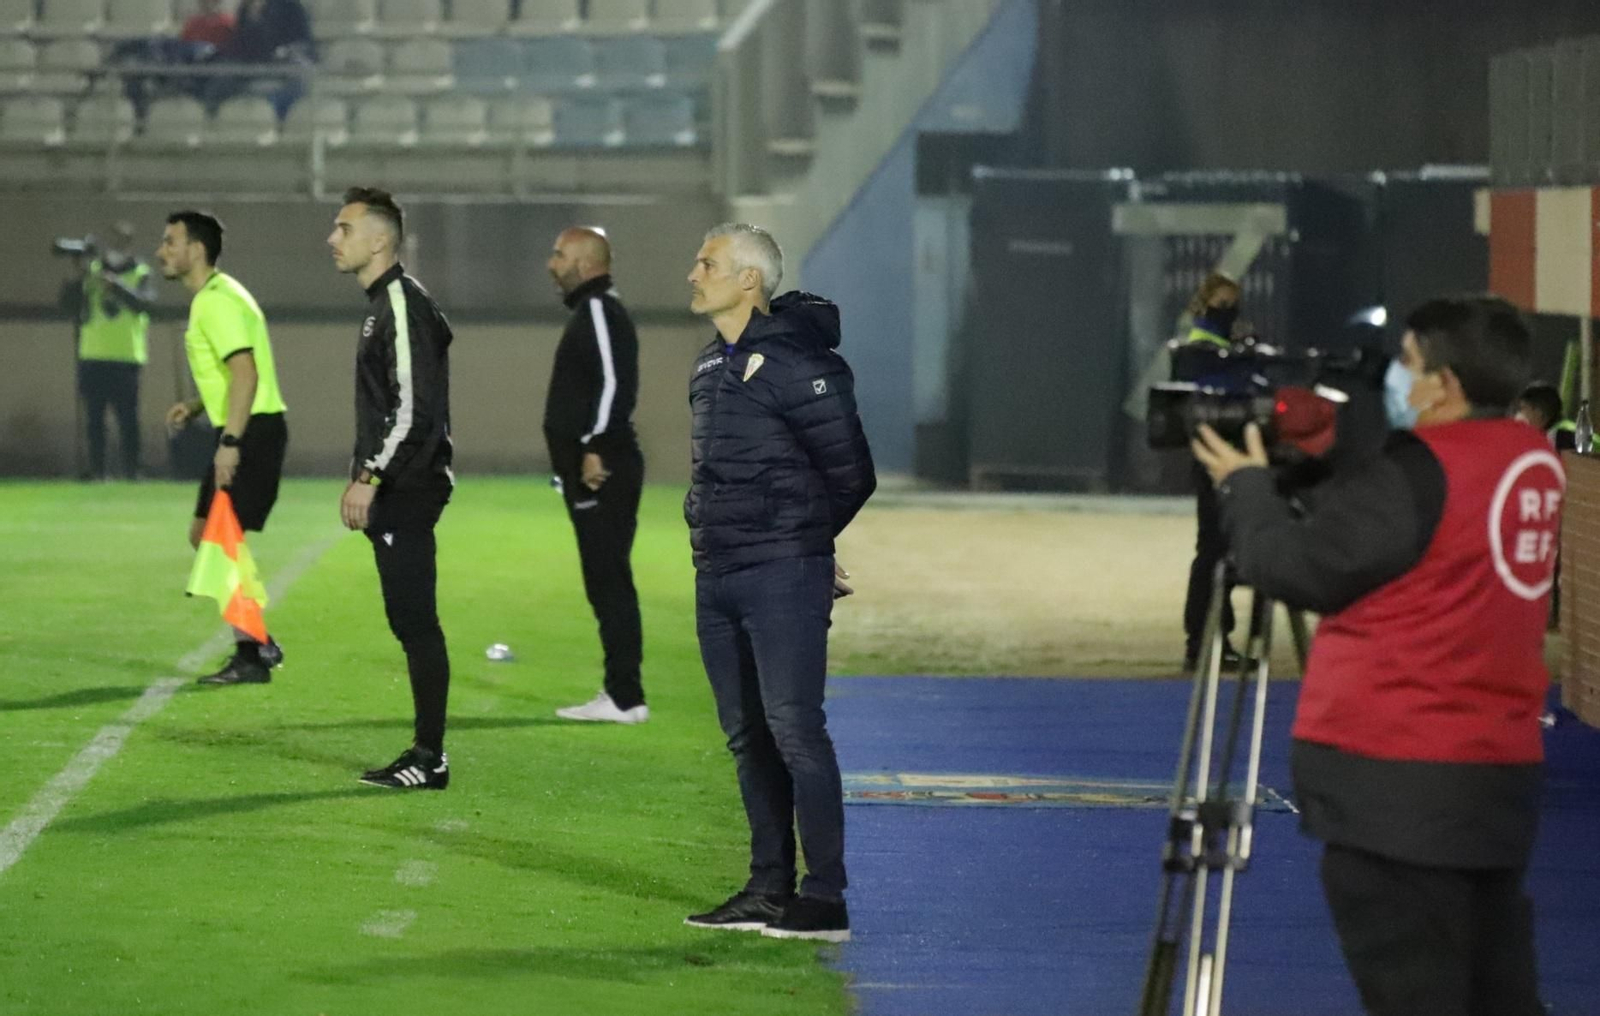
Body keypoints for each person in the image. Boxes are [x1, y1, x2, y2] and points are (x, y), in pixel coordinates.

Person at [1192, 295, 1562, 1016]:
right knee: (1497, 995)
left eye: (1409, 362)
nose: (1398, 376)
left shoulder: (1420, 472)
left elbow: (1299, 567)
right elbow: (1420, 532)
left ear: (1446, 384)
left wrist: (1247, 488)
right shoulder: (1530, 459)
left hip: (1397, 783)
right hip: (1495, 779)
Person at [681, 224, 875, 943]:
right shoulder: (707, 367)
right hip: (718, 574)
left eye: (708, 264)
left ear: (748, 280)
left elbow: (853, 473)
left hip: (781, 573)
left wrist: (808, 548)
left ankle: (824, 899)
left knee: (795, 727)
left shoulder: (800, 363)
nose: (693, 273)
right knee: (746, 736)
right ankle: (768, 888)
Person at [328, 187, 456, 792]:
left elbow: (415, 410)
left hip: (406, 486)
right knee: (409, 620)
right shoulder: (385, 304)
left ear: (380, 240)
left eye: (345, 228)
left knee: (416, 621)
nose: (334, 239)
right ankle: (426, 751)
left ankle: (430, 757)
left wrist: (369, 476)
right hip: (399, 485)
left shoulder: (401, 304)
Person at [157, 210, 288, 686]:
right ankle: (257, 642)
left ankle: (253, 651)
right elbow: (236, 373)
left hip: (249, 432)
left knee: (216, 539)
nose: (161, 251)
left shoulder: (214, 303)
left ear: (196, 249)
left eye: (171, 242)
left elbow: (247, 373)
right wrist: (197, 405)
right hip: (247, 427)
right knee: (206, 534)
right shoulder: (223, 294)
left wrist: (230, 443)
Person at [542, 227, 648, 724]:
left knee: (609, 580)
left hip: (602, 469)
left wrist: (593, 447)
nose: (551, 263)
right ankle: (621, 692)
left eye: (559, 255)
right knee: (604, 580)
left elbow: (614, 383)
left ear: (585, 263)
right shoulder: (592, 311)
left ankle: (625, 697)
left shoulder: (601, 310)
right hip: (591, 471)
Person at [1173, 272, 1244, 671]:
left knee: (1217, 550)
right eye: (1224, 302)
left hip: (1218, 458)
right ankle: (1203, 641)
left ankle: (1212, 639)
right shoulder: (1203, 350)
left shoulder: (1217, 347)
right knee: (1215, 551)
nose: (1231, 310)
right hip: (1214, 459)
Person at [70, 221, 155, 481]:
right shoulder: (91, 272)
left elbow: (145, 304)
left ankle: (132, 470)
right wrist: (78, 276)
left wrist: (115, 284)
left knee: (128, 419)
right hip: (93, 355)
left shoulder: (140, 272)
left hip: (126, 357)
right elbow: (71, 304)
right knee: (95, 420)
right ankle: (98, 470)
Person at [1515, 381, 1577, 452]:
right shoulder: (1553, 434)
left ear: (1538, 412)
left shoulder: (1562, 438)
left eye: (1523, 408)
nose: (1519, 415)